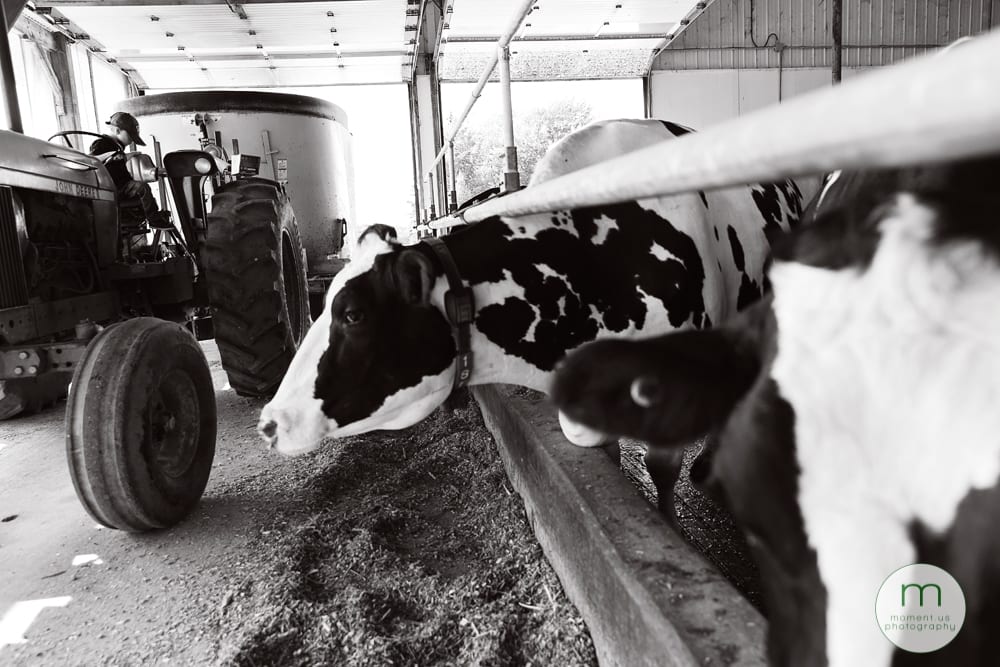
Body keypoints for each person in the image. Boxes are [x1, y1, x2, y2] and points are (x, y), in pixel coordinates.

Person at [89, 112, 166, 225]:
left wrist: (129, 155)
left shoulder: (116, 147)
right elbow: (91, 160)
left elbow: (117, 160)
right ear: (117, 131)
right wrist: (111, 155)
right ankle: (155, 219)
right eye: (130, 136)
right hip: (111, 188)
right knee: (142, 188)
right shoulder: (101, 143)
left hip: (120, 186)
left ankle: (144, 216)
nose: (131, 140)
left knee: (141, 190)